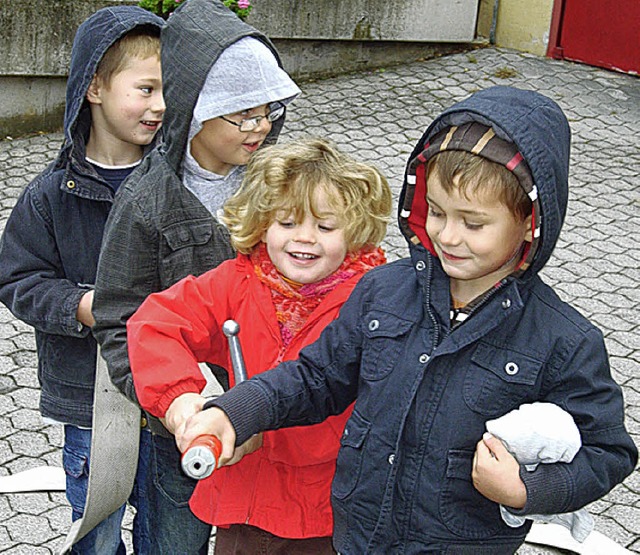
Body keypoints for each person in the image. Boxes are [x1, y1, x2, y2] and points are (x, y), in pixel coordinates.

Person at [175, 86, 638, 554]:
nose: (449, 235)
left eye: (473, 223)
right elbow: (317, 376)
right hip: (356, 539)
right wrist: (237, 412)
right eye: (437, 212)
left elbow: (608, 451)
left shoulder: (564, 339)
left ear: (529, 222)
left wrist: (528, 492)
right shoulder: (383, 291)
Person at [91, 0, 301, 551]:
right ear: (195, 110)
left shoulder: (274, 182)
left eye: (268, 111)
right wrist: (176, 403)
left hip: (270, 418)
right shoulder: (146, 203)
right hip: (182, 432)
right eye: (243, 114)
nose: (261, 127)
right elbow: (119, 321)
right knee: (175, 540)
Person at [126, 138, 392, 553]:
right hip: (244, 502)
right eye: (286, 223)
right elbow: (156, 323)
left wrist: (261, 431)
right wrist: (179, 403)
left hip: (330, 506)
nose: (305, 239)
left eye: (325, 227)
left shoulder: (377, 300)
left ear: (356, 230)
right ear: (262, 223)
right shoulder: (236, 282)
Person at [0, 6, 164, 554]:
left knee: (166, 532)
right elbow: (19, 280)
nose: (159, 106)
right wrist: (84, 307)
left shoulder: (175, 187)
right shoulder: (50, 196)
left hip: (172, 398)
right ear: (95, 86)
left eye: (167, 91)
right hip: (91, 404)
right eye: (144, 89)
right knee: (95, 532)